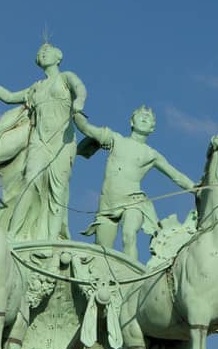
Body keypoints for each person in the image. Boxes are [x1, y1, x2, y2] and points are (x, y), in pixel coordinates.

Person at [0, 42, 88, 242]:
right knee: (29, 182)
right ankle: (13, 235)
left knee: (57, 190)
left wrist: (79, 101)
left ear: (58, 56)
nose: (42, 53)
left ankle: (50, 241)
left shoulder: (65, 77)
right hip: (39, 141)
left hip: (63, 142)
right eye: (40, 51)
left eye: (47, 50)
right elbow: (8, 97)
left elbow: (80, 88)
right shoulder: (36, 87)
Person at [73, 106, 195, 263]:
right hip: (108, 205)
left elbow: (175, 175)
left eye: (149, 118)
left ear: (152, 128)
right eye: (141, 116)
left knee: (129, 234)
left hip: (133, 202)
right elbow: (86, 128)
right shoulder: (115, 139)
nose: (145, 118)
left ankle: (133, 279)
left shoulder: (150, 154)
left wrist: (195, 188)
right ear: (132, 121)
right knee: (101, 253)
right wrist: (73, 110)